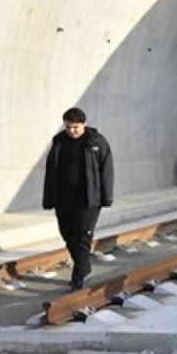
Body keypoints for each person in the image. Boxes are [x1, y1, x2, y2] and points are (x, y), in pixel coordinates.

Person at [42, 107, 115, 290]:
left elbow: (106, 170)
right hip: (64, 198)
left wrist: (106, 197)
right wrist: (49, 197)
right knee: (67, 235)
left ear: (83, 124)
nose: (71, 131)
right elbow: (50, 172)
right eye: (68, 127)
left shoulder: (96, 142)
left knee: (82, 236)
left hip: (88, 199)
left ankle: (78, 277)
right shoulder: (59, 141)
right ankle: (85, 265)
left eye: (75, 127)